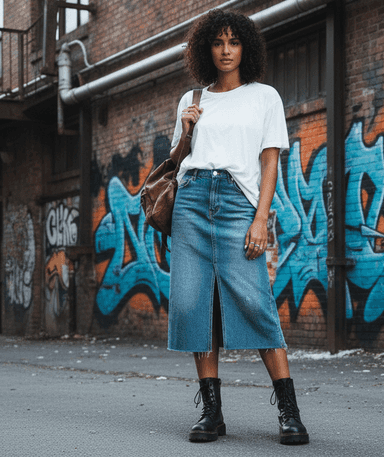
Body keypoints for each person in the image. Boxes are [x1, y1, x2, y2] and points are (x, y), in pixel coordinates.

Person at [166, 9, 309, 445]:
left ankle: (289, 412)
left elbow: (270, 159)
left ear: (245, 47)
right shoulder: (192, 98)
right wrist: (186, 129)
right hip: (190, 201)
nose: (225, 50)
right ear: (205, 49)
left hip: (237, 203)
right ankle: (211, 412)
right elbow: (175, 164)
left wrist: (261, 217)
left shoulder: (264, 96)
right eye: (217, 43)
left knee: (255, 303)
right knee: (194, 306)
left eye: (233, 42)